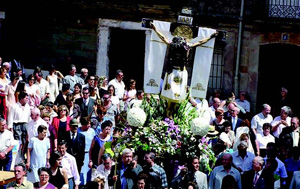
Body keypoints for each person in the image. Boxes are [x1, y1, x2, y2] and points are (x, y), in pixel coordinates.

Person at [150, 22, 217, 116]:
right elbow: (201, 42)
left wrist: (155, 29)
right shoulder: (187, 47)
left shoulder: (174, 45)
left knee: (173, 94)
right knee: (175, 94)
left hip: (174, 72)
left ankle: (169, 114)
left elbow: (163, 38)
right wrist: (210, 36)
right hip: (180, 72)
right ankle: (171, 115)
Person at [7, 92, 31, 160]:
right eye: (26, 98)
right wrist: (10, 128)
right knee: (18, 142)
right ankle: (17, 157)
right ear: (21, 98)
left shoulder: (28, 107)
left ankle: (23, 157)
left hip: (25, 125)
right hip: (17, 125)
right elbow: (10, 117)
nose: (27, 99)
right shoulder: (14, 106)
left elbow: (28, 118)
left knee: (25, 142)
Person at [77, 116, 96, 186]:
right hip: (80, 155)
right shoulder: (78, 131)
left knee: (89, 173)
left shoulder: (92, 131)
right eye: (88, 124)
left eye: (89, 124)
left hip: (89, 154)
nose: (89, 125)